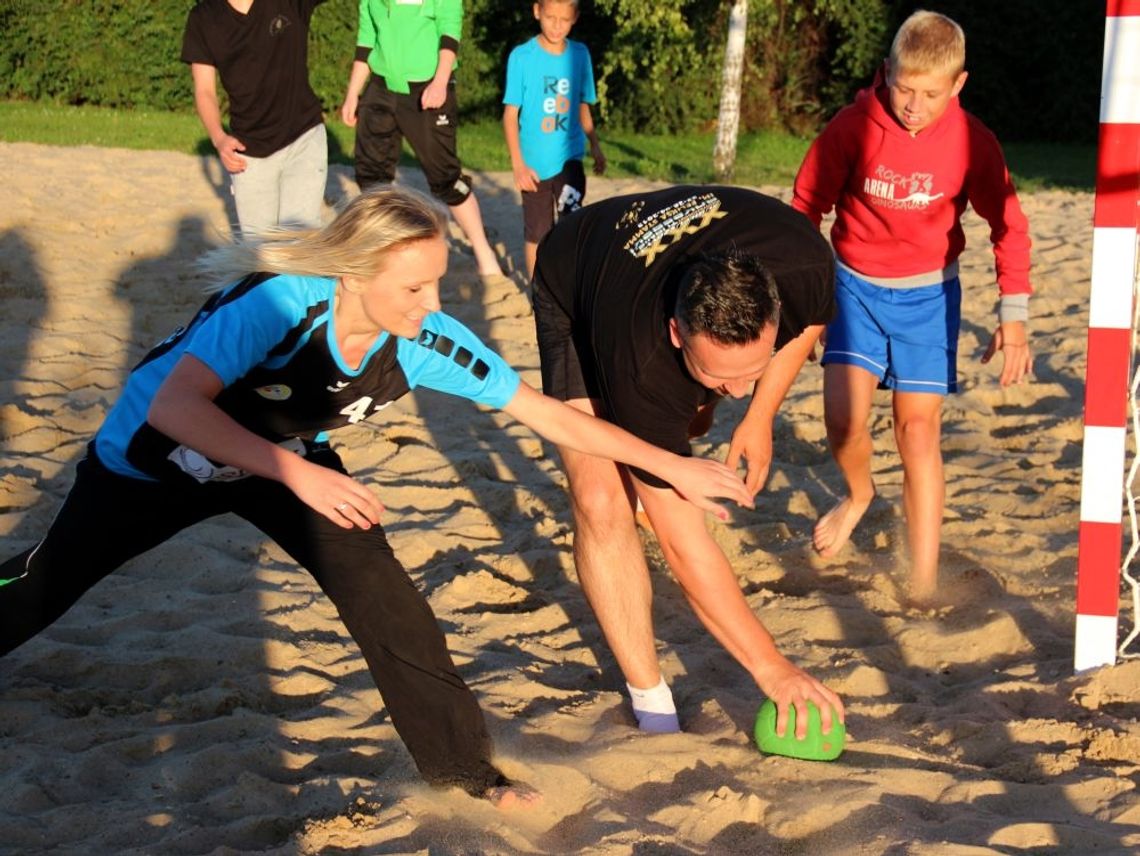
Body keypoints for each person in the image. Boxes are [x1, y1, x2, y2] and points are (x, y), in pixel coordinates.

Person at [0, 187, 754, 807]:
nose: (431, 302)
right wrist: (301, 474)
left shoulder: (426, 340)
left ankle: (469, 774)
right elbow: (175, 408)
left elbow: (548, 414)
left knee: (385, 597)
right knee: (43, 587)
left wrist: (672, 467)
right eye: (415, 285)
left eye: (438, 282)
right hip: (156, 459)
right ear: (354, 275)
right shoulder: (278, 304)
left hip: (287, 464)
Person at [531, 184, 845, 738]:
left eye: (753, 368)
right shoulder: (643, 364)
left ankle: (698, 400)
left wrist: (760, 414)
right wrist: (770, 667)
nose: (740, 390)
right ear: (678, 333)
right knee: (602, 497)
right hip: (578, 276)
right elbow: (680, 542)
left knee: (692, 415)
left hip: (664, 262)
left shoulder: (803, 263)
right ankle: (650, 700)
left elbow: (812, 320)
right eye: (725, 377)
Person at [791, 10, 1033, 603]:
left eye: (930, 93)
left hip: (929, 297)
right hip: (852, 288)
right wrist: (805, 293)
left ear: (958, 85)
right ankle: (859, 494)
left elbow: (1010, 226)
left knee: (916, 432)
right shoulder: (852, 127)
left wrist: (1014, 317)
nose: (913, 104)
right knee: (844, 420)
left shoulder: (973, 141)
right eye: (904, 88)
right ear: (886, 72)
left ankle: (923, 582)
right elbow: (804, 209)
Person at [340, 0, 508, 285]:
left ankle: (483, 252)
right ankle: (383, 249)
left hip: (429, 88)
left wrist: (440, 82)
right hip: (381, 89)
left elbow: (449, 34)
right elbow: (366, 42)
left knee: (445, 178)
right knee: (371, 175)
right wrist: (353, 94)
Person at [182, 0, 329, 233]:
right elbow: (204, 91)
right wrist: (219, 138)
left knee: (298, 242)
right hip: (248, 152)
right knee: (260, 254)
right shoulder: (203, 17)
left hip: (304, 138)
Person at [502, 0, 606, 278]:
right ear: (537, 11)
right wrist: (518, 165)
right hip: (533, 167)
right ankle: (538, 295)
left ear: (575, 18)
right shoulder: (522, 57)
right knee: (537, 232)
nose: (557, 25)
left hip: (570, 158)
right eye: (550, 17)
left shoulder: (580, 55)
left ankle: (567, 288)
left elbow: (583, 104)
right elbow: (510, 115)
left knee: (571, 227)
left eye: (564, 19)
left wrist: (595, 145)